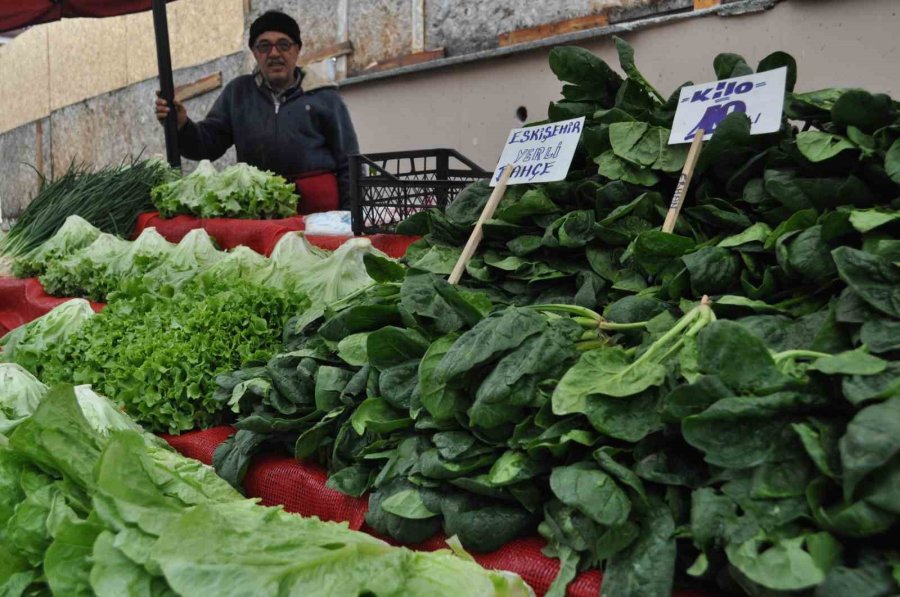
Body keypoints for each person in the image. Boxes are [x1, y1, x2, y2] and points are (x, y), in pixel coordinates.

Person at [154, 10, 359, 213]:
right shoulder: (238, 94)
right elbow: (206, 146)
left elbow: (349, 162)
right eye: (264, 46)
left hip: (320, 218)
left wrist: (351, 216)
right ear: (254, 52)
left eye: (283, 44)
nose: (274, 53)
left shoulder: (324, 96)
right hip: (261, 213)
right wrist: (182, 126)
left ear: (297, 50)